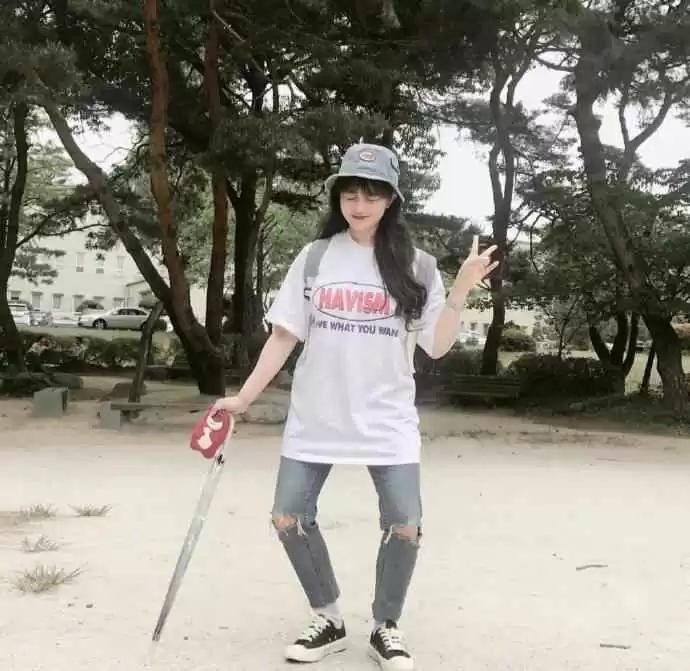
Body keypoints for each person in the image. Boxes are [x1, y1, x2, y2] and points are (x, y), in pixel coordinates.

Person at [212, 142, 498, 670]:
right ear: (338, 198)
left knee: (405, 523)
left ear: (390, 200)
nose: (359, 204)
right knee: (287, 516)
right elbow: (283, 336)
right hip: (316, 414)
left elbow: (436, 346)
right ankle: (329, 618)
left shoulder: (418, 266)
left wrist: (460, 289)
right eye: (350, 193)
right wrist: (244, 397)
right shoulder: (315, 257)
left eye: (371, 194)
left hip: (387, 418)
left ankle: (386, 627)